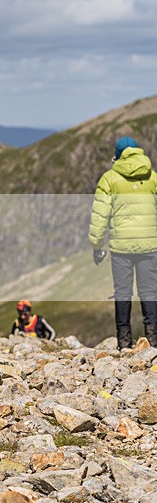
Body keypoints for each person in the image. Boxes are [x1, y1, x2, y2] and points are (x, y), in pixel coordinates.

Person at [89, 136, 157, 349]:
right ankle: (153, 341)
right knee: (149, 292)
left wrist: (97, 246)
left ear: (116, 156)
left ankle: (124, 342)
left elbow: (100, 217)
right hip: (150, 245)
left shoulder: (109, 179)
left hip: (121, 248)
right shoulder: (153, 177)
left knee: (122, 292)